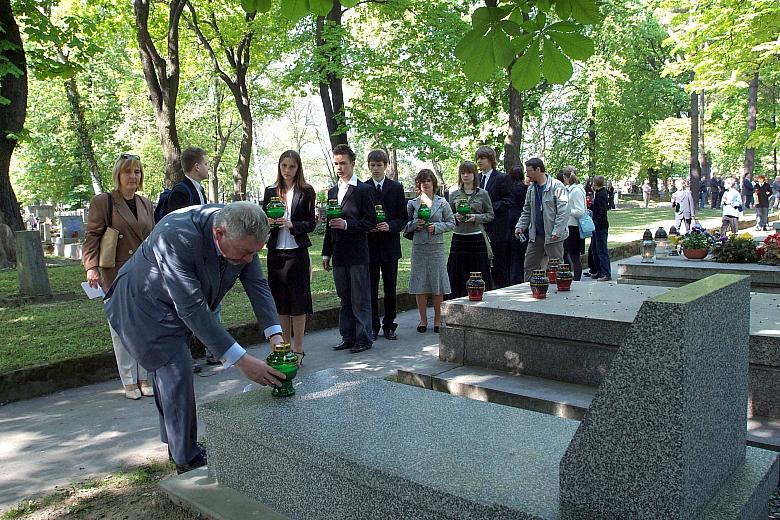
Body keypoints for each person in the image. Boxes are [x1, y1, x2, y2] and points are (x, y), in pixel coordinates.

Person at [104, 202, 286, 473]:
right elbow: (192, 309)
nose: (249, 259)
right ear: (219, 234)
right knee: (175, 369)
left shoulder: (243, 232)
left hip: (173, 303)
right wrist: (241, 361)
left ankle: (177, 446)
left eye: (254, 252)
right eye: (246, 252)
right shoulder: (176, 236)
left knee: (169, 377)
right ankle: (187, 461)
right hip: (142, 305)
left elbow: (257, 284)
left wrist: (276, 335)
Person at [84, 153, 155, 401]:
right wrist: (91, 267)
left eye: (137, 171)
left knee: (145, 326)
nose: (133, 176)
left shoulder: (146, 203)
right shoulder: (104, 202)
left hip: (144, 272)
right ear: (118, 175)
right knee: (121, 327)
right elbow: (92, 236)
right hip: (115, 272)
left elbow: (153, 238)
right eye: (128, 172)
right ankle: (128, 380)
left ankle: (145, 376)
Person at [262, 150, 316, 365]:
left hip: (297, 252)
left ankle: (299, 349)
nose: (287, 170)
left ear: (298, 168)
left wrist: (293, 224)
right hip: (276, 252)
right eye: (284, 165)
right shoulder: (270, 190)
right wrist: (269, 221)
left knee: (298, 303)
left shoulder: (306, 191)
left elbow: (311, 223)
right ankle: (284, 349)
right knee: (280, 303)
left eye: (292, 166)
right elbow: (262, 218)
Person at [322, 144, 376, 354]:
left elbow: (370, 221)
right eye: (336, 163)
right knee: (344, 297)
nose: (339, 167)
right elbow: (329, 225)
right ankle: (348, 336)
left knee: (360, 297)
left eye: (343, 163)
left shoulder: (364, 190)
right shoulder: (332, 191)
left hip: (357, 252)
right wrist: (326, 252)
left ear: (353, 163)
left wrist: (347, 225)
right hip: (339, 253)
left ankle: (364, 337)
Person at [406, 169, 455, 333]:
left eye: (428, 180)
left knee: (437, 284)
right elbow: (404, 226)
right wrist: (415, 224)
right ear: (418, 184)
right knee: (420, 283)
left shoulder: (442, 202)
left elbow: (451, 222)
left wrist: (438, 227)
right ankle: (422, 319)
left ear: (433, 183)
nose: (425, 183)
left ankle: (438, 319)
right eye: (422, 181)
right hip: (419, 248)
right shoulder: (412, 204)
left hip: (436, 248)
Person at [365, 149, 406, 341]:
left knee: (390, 288)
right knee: (371, 288)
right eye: (372, 165)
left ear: (386, 166)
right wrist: (369, 227)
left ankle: (389, 325)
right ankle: (373, 325)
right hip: (370, 247)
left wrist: (389, 226)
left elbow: (403, 218)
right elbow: (360, 217)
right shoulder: (363, 188)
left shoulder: (396, 188)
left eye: (379, 165)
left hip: (390, 246)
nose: (375, 169)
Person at [515, 158, 569, 282]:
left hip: (553, 235)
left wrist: (557, 231)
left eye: (529, 171)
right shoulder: (531, 189)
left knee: (557, 266)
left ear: (538, 169)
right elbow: (527, 211)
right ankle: (528, 290)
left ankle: (560, 291)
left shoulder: (556, 186)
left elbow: (564, 210)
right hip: (536, 235)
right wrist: (520, 226)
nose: (527, 174)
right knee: (529, 265)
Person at [447, 160, 494, 298]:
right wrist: (455, 216)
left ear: (474, 174)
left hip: (476, 238)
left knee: (478, 271)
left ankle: (479, 297)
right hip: (458, 238)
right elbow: (448, 215)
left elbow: (490, 215)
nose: (465, 176)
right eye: (463, 173)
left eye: (468, 172)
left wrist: (476, 217)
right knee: (457, 271)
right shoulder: (453, 194)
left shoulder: (483, 194)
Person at [474, 146, 512, 288]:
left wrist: (489, 208)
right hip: (479, 228)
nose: (479, 161)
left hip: (497, 230)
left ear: (490, 160)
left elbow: (508, 201)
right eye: (478, 158)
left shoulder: (502, 178)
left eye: (482, 158)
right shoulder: (476, 178)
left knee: (499, 265)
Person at [561, 166, 586, 281]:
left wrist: (567, 211)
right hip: (569, 226)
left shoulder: (576, 191)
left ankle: (577, 279)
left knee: (574, 256)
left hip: (574, 227)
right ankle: (572, 277)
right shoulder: (570, 189)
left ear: (565, 178)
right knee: (569, 254)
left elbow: (580, 210)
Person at [507, 166, 528, 285]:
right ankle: (518, 277)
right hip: (520, 219)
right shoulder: (524, 189)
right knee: (519, 252)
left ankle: (512, 277)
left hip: (509, 219)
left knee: (512, 251)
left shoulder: (508, 188)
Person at [590, 175, 611, 281]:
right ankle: (599, 271)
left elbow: (602, 211)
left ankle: (605, 273)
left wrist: (597, 222)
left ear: (595, 183)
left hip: (600, 227)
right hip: (596, 226)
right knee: (595, 249)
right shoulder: (598, 194)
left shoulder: (601, 194)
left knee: (602, 250)